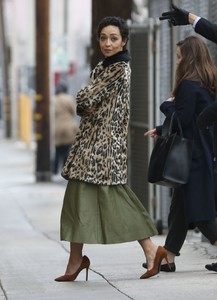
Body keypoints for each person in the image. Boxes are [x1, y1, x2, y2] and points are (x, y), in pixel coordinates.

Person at [55, 16, 167, 282]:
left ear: (124, 41)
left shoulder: (119, 68)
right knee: (76, 199)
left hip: (104, 148)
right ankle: (76, 260)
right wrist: (84, 102)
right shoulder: (104, 66)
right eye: (103, 37)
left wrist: (84, 99)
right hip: (90, 145)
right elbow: (84, 105)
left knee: (115, 198)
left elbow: (87, 98)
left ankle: (151, 249)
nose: (107, 43)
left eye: (113, 38)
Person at [144, 35, 217, 273]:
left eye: (179, 57)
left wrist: (166, 104)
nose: (177, 62)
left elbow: (183, 119)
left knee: (200, 211)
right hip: (202, 151)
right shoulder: (207, 83)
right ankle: (169, 257)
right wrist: (161, 128)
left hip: (190, 157)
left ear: (189, 58)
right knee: (179, 207)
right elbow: (194, 119)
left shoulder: (188, 84)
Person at [53, 83, 79, 175]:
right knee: (67, 149)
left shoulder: (53, 99)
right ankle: (66, 170)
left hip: (56, 126)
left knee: (57, 149)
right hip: (68, 126)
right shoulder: (68, 98)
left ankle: (54, 170)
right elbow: (74, 111)